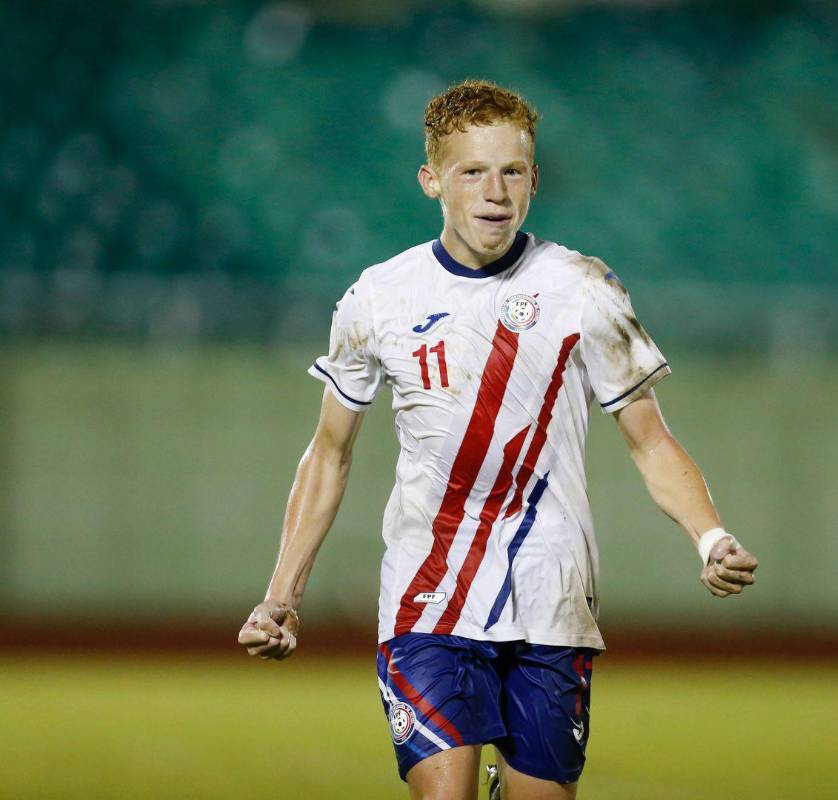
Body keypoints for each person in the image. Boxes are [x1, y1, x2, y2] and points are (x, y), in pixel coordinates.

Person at [237, 79, 758, 800]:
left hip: (553, 597)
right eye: (472, 172)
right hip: (428, 600)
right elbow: (329, 453)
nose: (496, 192)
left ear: (534, 179)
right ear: (432, 180)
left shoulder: (583, 287)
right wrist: (281, 596)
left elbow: (650, 441)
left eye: (512, 171)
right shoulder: (377, 298)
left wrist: (710, 537)